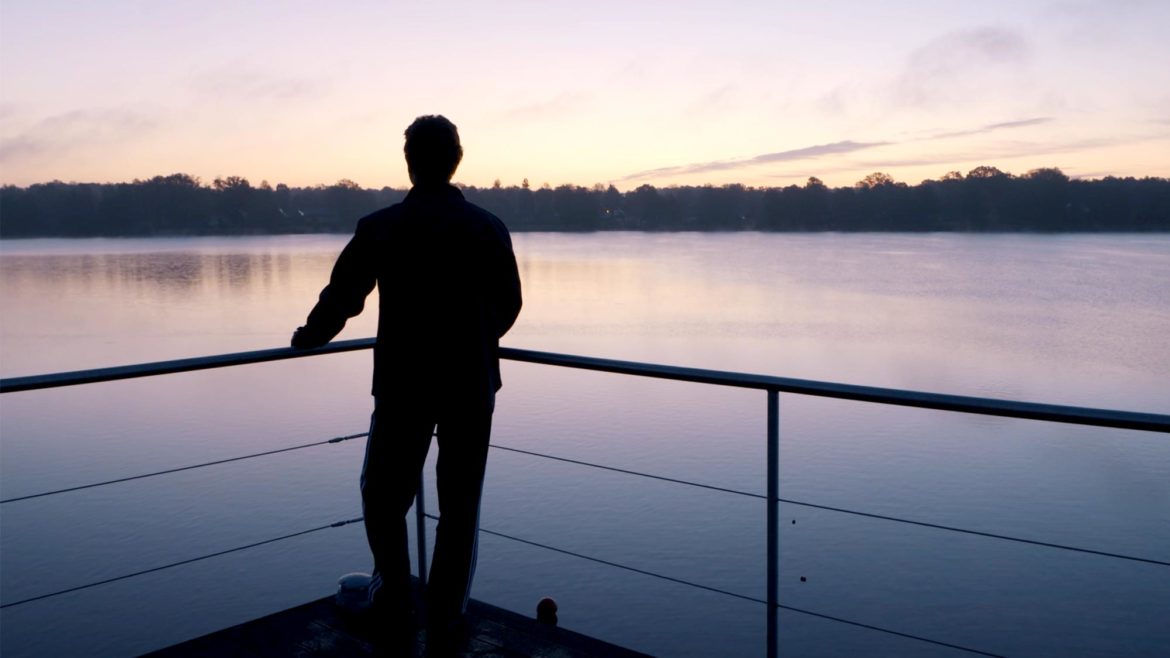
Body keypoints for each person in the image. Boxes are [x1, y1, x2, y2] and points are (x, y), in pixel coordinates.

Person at [290, 115, 522, 651]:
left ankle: (394, 595)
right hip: (471, 384)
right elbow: (509, 305)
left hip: (404, 384)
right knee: (459, 505)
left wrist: (310, 336)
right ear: (456, 159)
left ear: (410, 162)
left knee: (382, 495)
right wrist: (475, 342)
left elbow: (344, 296)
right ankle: (446, 613)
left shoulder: (382, 226)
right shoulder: (487, 227)